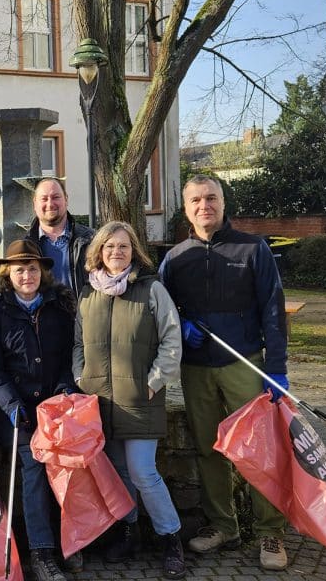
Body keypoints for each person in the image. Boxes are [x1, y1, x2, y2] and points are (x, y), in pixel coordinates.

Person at [158, 174, 291, 571]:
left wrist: (276, 369)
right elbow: (163, 309)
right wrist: (180, 326)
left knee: (257, 450)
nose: (204, 206)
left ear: (223, 202)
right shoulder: (175, 257)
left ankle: (270, 530)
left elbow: (273, 309)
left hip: (244, 364)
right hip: (197, 369)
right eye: (196, 200)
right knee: (209, 449)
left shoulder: (253, 249)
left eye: (211, 198)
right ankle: (223, 525)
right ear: (186, 208)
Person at [73, 221, 186, 579]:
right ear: (99, 253)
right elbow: (79, 344)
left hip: (139, 397)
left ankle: (171, 537)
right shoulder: (88, 295)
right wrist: (81, 377)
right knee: (119, 472)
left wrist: (153, 382)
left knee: (142, 471)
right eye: (109, 247)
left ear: (133, 251)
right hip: (100, 399)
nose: (116, 253)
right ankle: (128, 531)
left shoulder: (151, 290)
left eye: (123, 246)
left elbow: (172, 339)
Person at [0, 240, 78, 581]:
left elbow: (70, 358)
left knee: (71, 464)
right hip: (16, 411)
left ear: (42, 272)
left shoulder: (59, 307)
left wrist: (65, 389)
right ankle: (42, 552)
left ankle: (73, 541)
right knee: (33, 466)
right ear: (8, 273)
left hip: (55, 405)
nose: (26, 275)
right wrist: (10, 405)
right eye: (19, 269)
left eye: (32, 268)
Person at [24, 177, 95, 295]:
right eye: (44, 199)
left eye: (56, 197)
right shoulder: (25, 247)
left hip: (82, 313)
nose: (50, 204)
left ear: (66, 200)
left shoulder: (91, 241)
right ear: (35, 204)